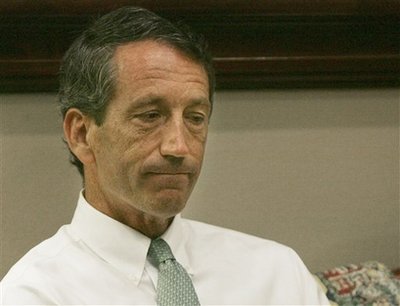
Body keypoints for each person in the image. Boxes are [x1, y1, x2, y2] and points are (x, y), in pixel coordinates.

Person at [1, 7, 329, 305]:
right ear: (82, 135)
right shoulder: (35, 294)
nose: (179, 147)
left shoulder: (278, 274)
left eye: (195, 117)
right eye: (150, 115)